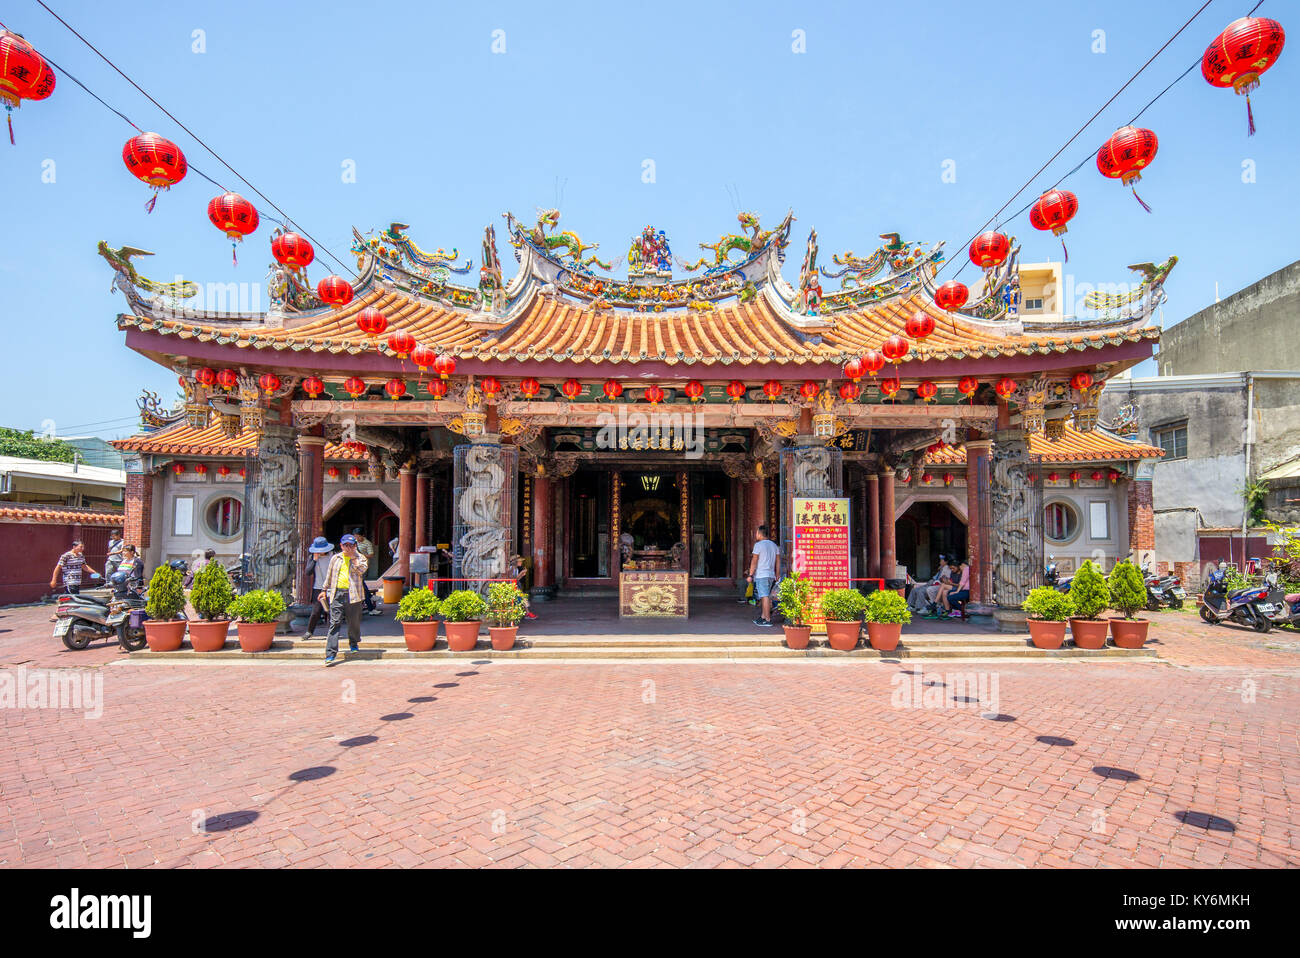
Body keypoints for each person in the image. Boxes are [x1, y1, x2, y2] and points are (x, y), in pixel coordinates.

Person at [321, 533, 369, 665]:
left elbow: (360, 571)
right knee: (334, 622)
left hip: (354, 595)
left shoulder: (361, 558)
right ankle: (330, 653)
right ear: (341, 546)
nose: (349, 548)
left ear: (355, 546)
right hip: (337, 594)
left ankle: (353, 642)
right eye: (346, 545)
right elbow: (329, 575)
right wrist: (324, 590)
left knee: (353, 622)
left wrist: (353, 558)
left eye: (352, 545)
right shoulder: (335, 558)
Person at [746, 525, 781, 627]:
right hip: (771, 574)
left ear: (760, 534)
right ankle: (763, 617)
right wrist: (777, 574)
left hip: (762, 575)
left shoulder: (758, 545)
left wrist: (750, 574)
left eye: (757, 532)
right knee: (766, 596)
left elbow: (754, 561)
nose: (756, 534)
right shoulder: (774, 545)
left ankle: (768, 620)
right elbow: (778, 561)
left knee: (764, 596)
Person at [302, 537, 335, 639]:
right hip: (318, 587)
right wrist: (315, 560)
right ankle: (309, 631)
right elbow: (308, 572)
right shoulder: (312, 557)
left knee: (330, 611)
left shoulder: (333, 556)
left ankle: (331, 634)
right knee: (316, 611)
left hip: (331, 587)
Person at [352, 527, 382, 615]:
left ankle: (370, 606)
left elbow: (371, 554)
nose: (356, 538)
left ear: (362, 535)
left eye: (358, 536)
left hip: (362, 566)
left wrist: (360, 555)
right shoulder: (353, 543)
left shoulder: (367, 543)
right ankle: (370, 602)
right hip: (353, 568)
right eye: (355, 536)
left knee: (362, 586)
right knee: (362, 587)